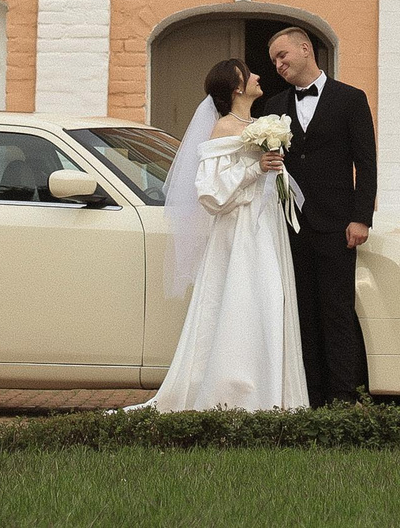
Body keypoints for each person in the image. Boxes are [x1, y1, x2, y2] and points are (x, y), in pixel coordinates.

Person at [146, 58, 308, 412]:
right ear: (236, 87)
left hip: (267, 227)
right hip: (238, 231)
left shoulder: (259, 125)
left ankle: (273, 393)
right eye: (249, 74)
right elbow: (210, 192)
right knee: (241, 300)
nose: (258, 76)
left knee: (270, 300)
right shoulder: (223, 128)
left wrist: (274, 170)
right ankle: (235, 394)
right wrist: (255, 168)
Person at [252, 24, 376, 404]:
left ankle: (343, 399)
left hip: (338, 226)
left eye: (282, 55)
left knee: (338, 313)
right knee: (302, 313)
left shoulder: (351, 99)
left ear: (305, 49)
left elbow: (366, 163)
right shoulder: (273, 107)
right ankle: (311, 398)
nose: (278, 65)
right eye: (274, 60)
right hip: (290, 226)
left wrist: (361, 217)